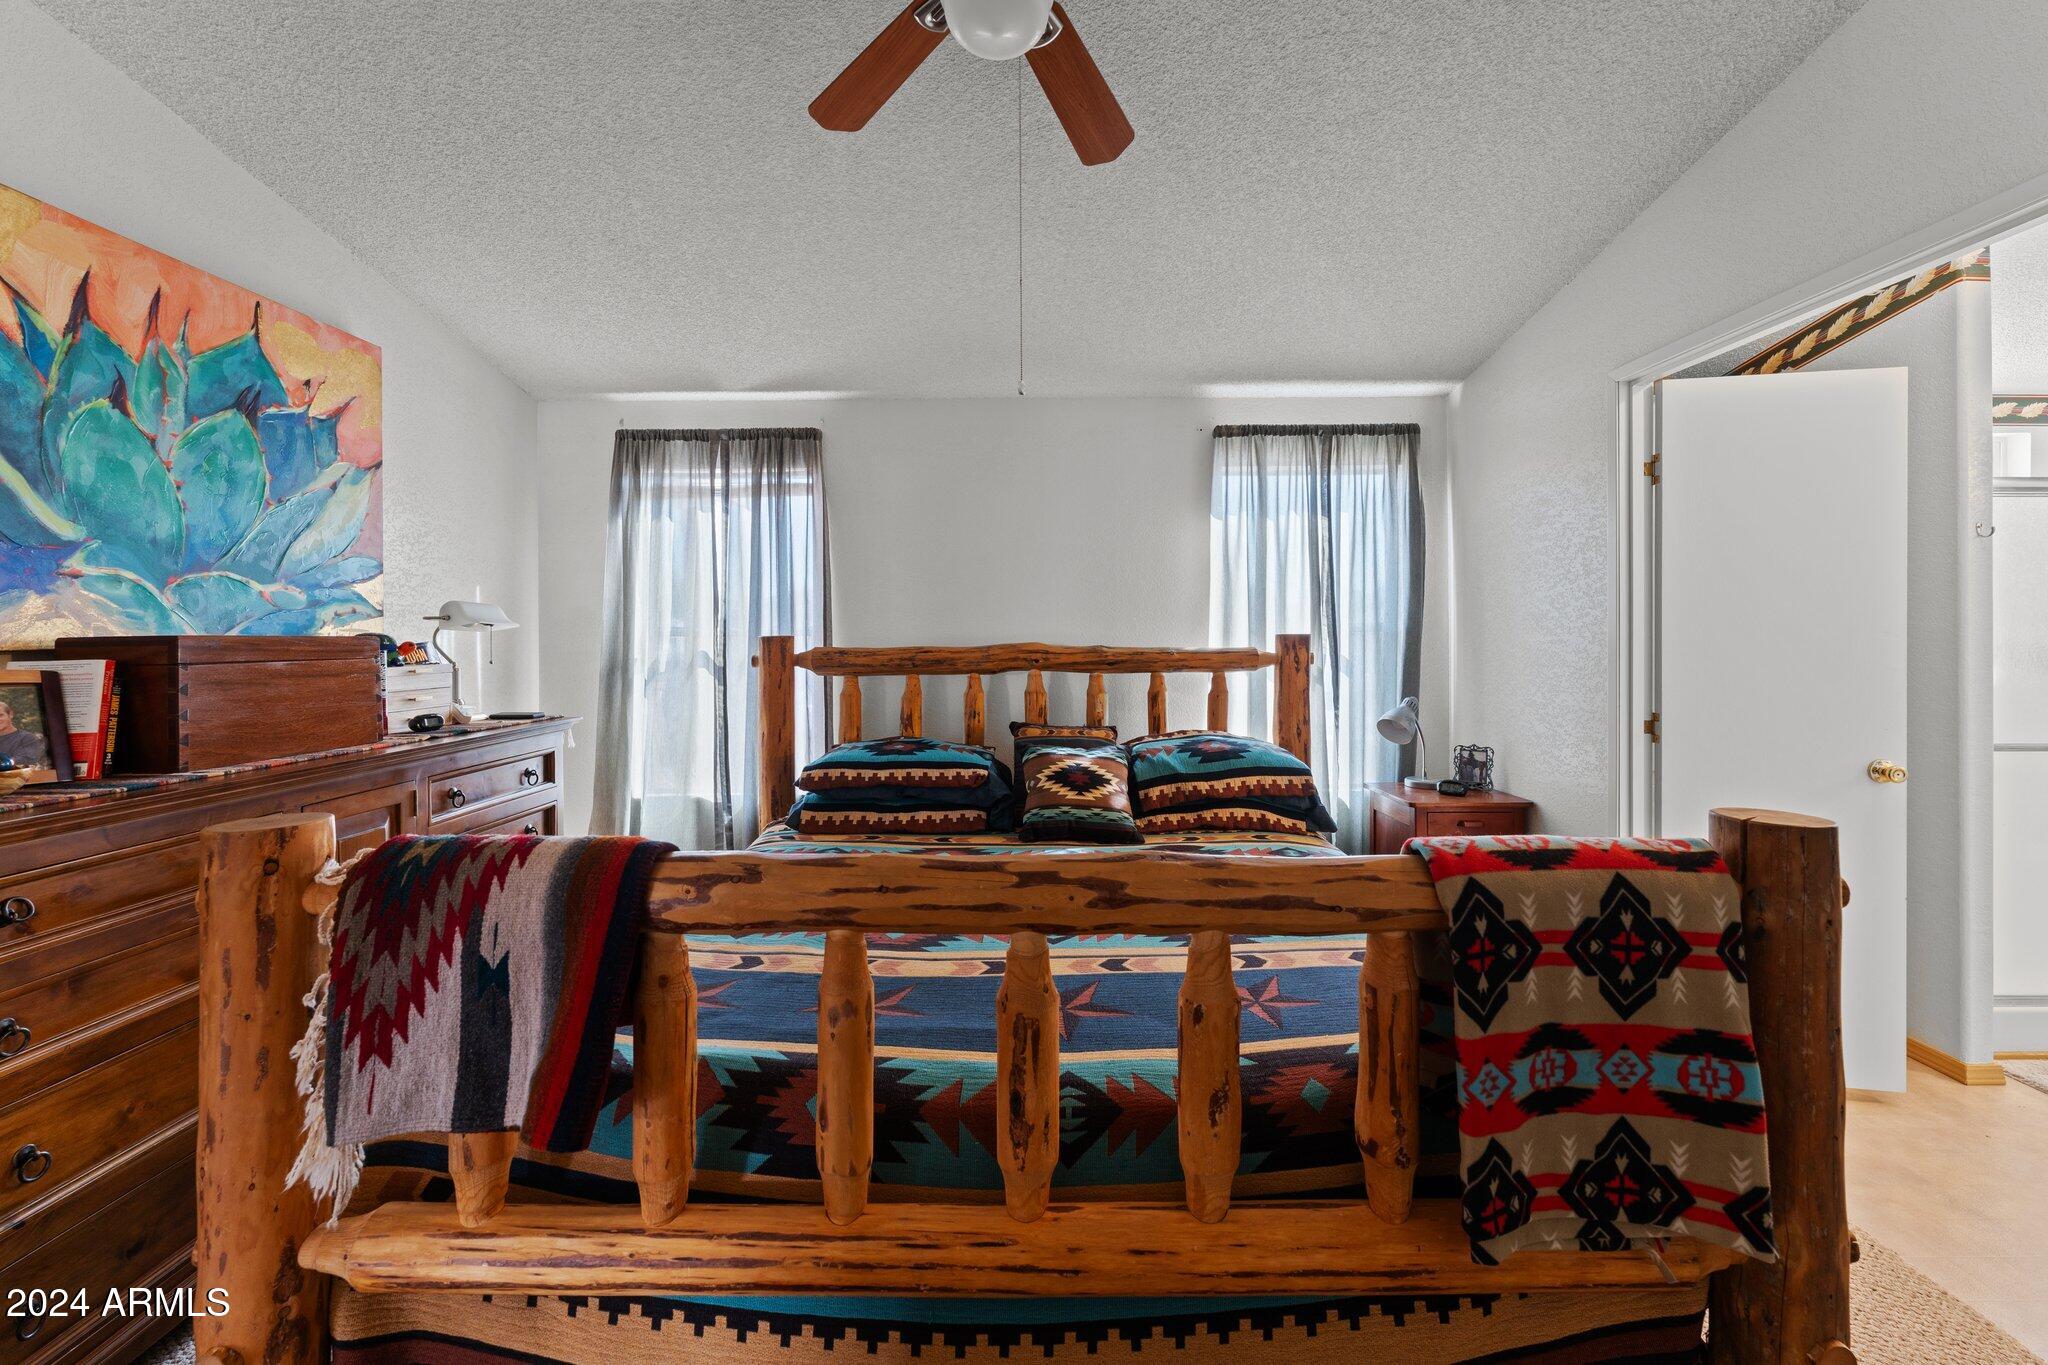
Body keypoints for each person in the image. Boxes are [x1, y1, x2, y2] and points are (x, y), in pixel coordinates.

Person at [0, 695, 50, 769]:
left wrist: (7, 762)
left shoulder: (26, 738)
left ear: (10, 714)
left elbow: (25, 761)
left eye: (0, 715)